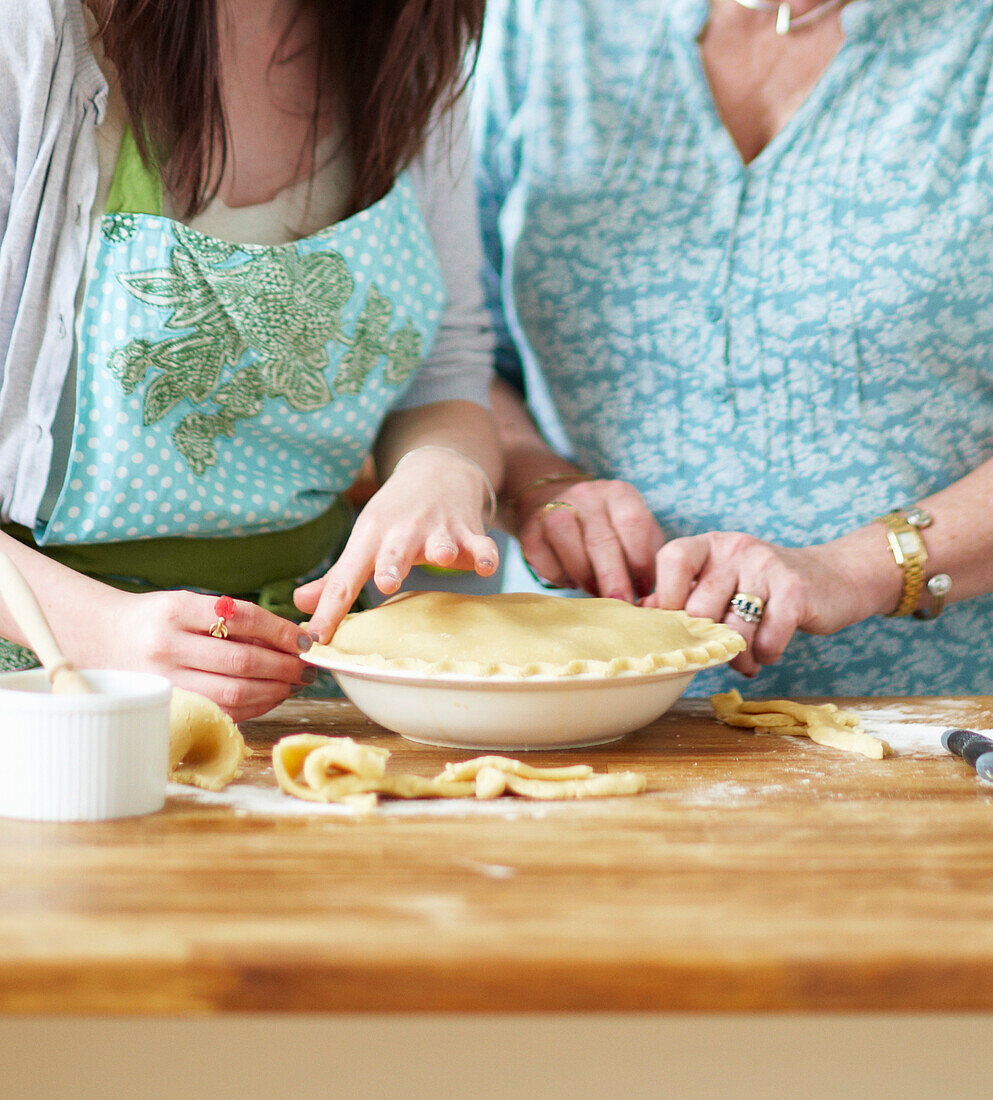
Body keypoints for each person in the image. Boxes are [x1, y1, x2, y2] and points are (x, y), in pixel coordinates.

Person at [0, 0, 502, 720]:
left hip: (315, 681)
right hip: (48, 688)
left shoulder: (409, 39)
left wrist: (445, 466)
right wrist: (100, 630)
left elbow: (445, 370)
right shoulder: (30, 32)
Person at [474, 0, 993, 697]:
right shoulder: (545, 18)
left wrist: (850, 570)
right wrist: (537, 478)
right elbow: (452, 345)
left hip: (940, 716)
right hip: (577, 702)